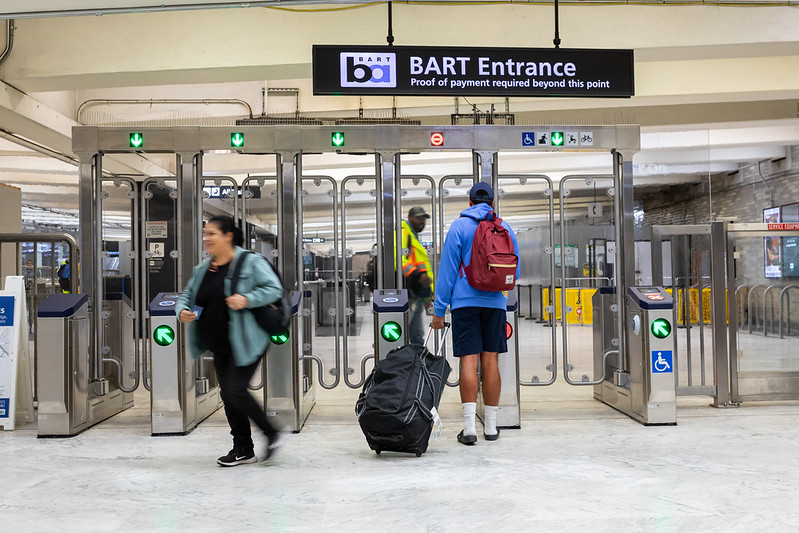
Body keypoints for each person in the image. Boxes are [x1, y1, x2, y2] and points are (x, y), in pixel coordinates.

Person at [176, 216, 284, 467]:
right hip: (219, 341)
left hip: (248, 339)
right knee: (229, 394)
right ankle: (243, 449)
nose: (206, 238)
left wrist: (246, 299)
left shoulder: (250, 262)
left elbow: (273, 289)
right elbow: (188, 295)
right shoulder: (204, 268)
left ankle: (272, 433)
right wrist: (181, 310)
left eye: (212, 233)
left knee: (235, 389)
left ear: (228, 236)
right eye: (205, 233)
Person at [431, 183, 520, 445]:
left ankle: (469, 428)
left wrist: (439, 309)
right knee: (490, 361)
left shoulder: (459, 227)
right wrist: (500, 295)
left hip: (464, 304)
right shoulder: (505, 228)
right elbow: (515, 269)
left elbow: (447, 271)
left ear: (469, 201)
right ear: (492, 202)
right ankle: (491, 427)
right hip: (495, 304)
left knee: (468, 361)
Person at [401, 206, 434, 345]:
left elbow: (422, 270)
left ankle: (416, 364)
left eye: (424, 218)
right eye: (418, 218)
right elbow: (399, 260)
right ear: (410, 218)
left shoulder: (414, 238)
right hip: (407, 293)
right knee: (404, 334)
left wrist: (427, 298)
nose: (422, 221)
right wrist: (416, 275)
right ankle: (402, 363)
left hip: (416, 294)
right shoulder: (404, 233)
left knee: (417, 335)